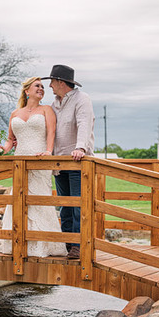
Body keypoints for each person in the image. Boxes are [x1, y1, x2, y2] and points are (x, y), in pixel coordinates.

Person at [0, 77, 68, 257]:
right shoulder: (15, 114)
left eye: (43, 87)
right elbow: (9, 143)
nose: (41, 89)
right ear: (27, 91)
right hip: (19, 161)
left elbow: (52, 132)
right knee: (19, 198)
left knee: (39, 199)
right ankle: (18, 240)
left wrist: (49, 151)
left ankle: (42, 243)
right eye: (37, 86)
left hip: (39, 160)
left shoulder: (47, 110)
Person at [40, 65, 95, 259]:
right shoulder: (55, 103)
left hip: (77, 161)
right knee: (65, 205)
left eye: (52, 82)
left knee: (78, 205)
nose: (50, 86)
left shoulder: (82, 100)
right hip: (59, 162)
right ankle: (67, 243)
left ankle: (79, 245)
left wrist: (81, 148)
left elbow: (84, 124)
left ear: (61, 83)